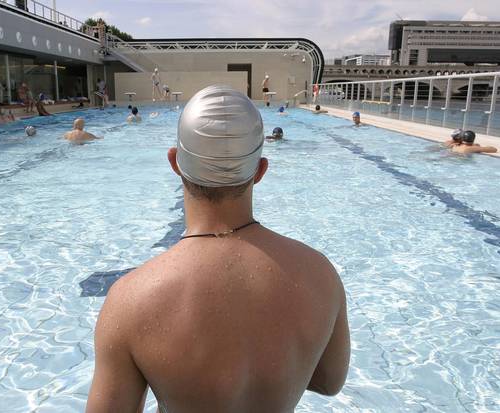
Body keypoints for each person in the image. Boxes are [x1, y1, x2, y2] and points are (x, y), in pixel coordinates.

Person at [86, 85, 350, 413]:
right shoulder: (319, 274)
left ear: (175, 163)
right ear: (260, 170)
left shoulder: (130, 300)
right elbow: (329, 381)